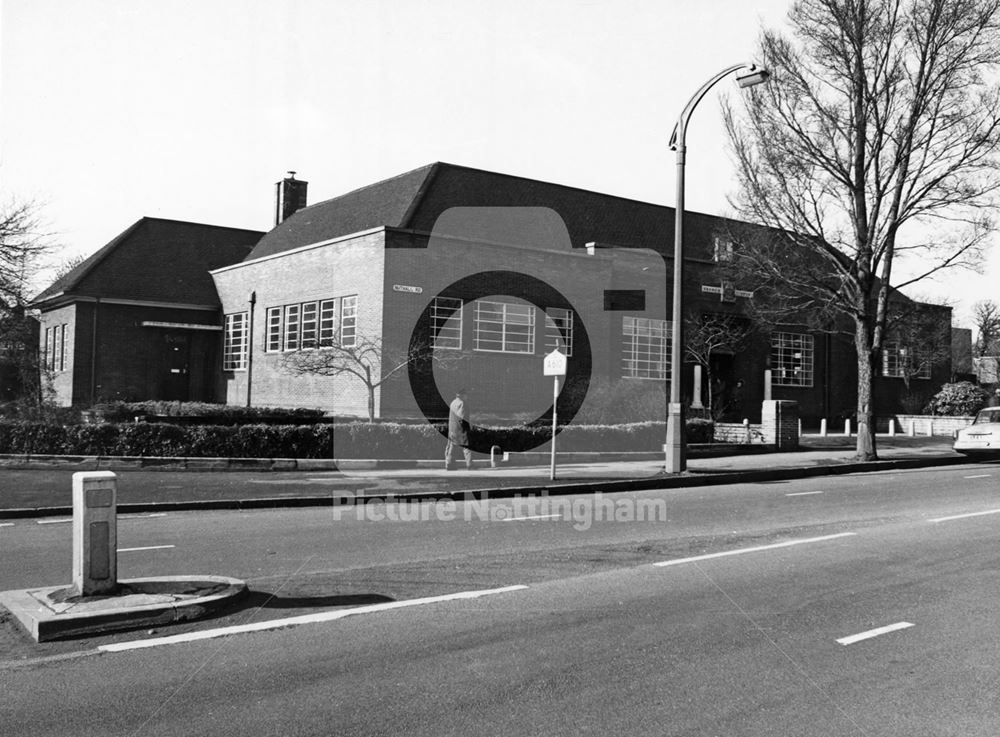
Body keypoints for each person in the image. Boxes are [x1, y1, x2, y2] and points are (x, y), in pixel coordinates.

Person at [445, 387, 474, 471]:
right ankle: (470, 465)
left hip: (452, 429)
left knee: (453, 446)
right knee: (467, 446)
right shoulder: (462, 403)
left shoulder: (453, 403)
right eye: (466, 395)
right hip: (461, 429)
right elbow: (462, 417)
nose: (467, 396)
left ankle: (449, 464)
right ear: (463, 395)